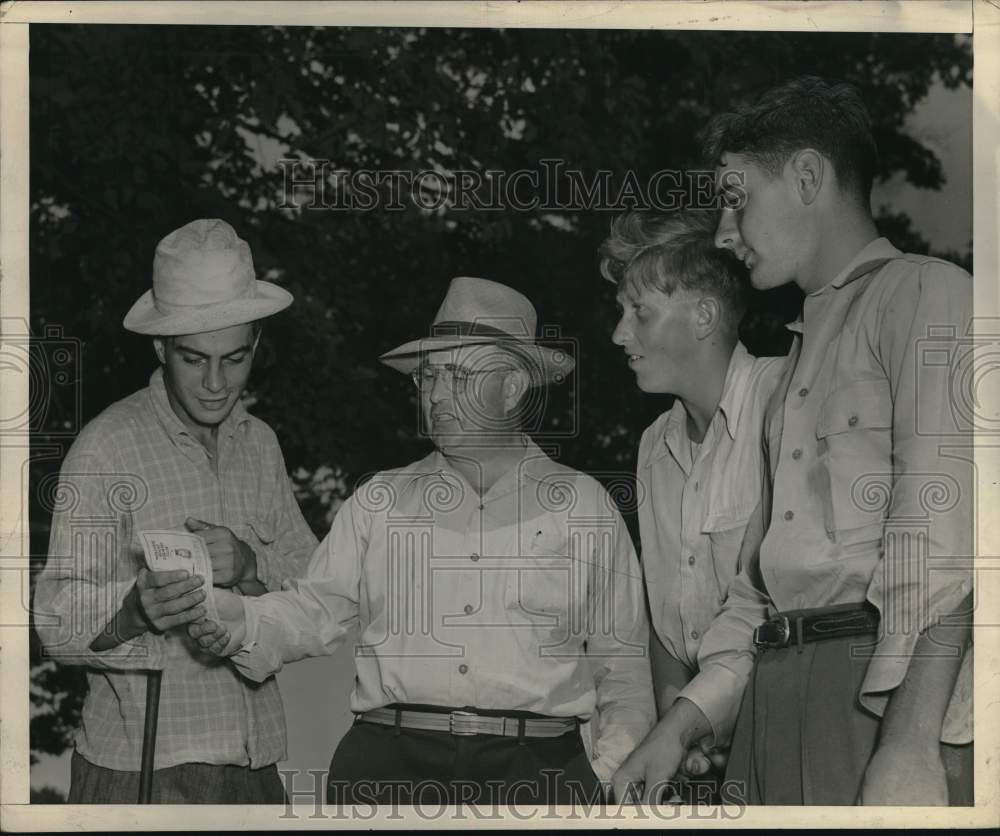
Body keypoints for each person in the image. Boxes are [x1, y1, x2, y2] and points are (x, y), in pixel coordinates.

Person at [612, 76, 973, 806]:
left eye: (738, 197)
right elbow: (756, 584)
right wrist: (678, 727)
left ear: (807, 175)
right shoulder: (800, 360)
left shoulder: (929, 296)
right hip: (776, 690)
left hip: (876, 691)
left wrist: (907, 745)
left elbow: (948, 541)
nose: (722, 230)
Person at [189, 276, 656, 806]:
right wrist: (238, 621)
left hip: (541, 773)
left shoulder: (582, 504)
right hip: (387, 772)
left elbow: (624, 663)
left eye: (456, 375)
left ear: (513, 386)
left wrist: (602, 771)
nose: (434, 395)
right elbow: (310, 610)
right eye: (427, 378)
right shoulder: (379, 500)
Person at [34, 219, 319, 803]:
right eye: (194, 359)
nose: (216, 383)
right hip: (141, 771)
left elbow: (319, 589)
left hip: (256, 766)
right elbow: (52, 619)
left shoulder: (260, 442)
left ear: (257, 344)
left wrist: (247, 564)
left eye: (234, 359)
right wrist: (133, 610)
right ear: (160, 346)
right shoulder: (107, 445)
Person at [600, 209, 783, 800]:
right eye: (622, 313)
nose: (619, 334)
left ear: (704, 315)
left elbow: (773, 604)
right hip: (699, 745)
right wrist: (676, 725)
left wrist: (682, 725)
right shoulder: (655, 444)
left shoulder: (784, 403)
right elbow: (665, 616)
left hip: (786, 725)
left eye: (640, 313)